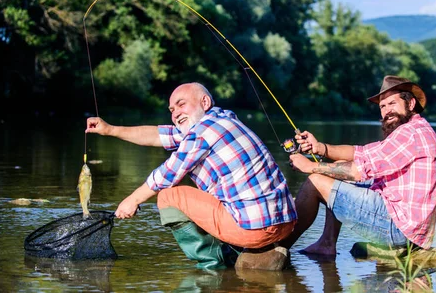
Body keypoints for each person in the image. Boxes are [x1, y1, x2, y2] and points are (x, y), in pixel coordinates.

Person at [86, 82, 297, 270]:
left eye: (181, 104)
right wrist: (110, 130)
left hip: (254, 228)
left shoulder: (203, 132)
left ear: (204, 102)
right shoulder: (222, 119)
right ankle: (264, 251)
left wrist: (132, 200)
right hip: (285, 223)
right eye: (171, 109)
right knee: (200, 194)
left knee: (168, 196)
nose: (175, 113)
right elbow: (158, 135)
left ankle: (216, 264)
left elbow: (168, 174)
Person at [280, 75, 436, 255]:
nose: (387, 111)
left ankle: (276, 247)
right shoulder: (415, 129)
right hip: (408, 226)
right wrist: (320, 148)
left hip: (400, 229)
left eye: (392, 103)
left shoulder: (410, 133)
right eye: (382, 106)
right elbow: (360, 152)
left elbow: (357, 171)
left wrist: (310, 166)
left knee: (316, 181)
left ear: (411, 104)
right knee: (340, 166)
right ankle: (326, 244)